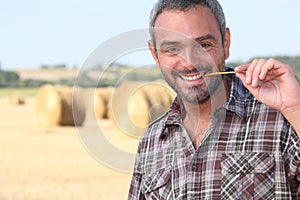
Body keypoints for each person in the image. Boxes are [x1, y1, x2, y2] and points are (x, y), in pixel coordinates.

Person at [128, 0, 300, 199]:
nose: (189, 63)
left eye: (204, 45)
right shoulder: (151, 141)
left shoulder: (281, 117)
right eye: (172, 49)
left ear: (225, 43)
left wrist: (295, 107)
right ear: (155, 54)